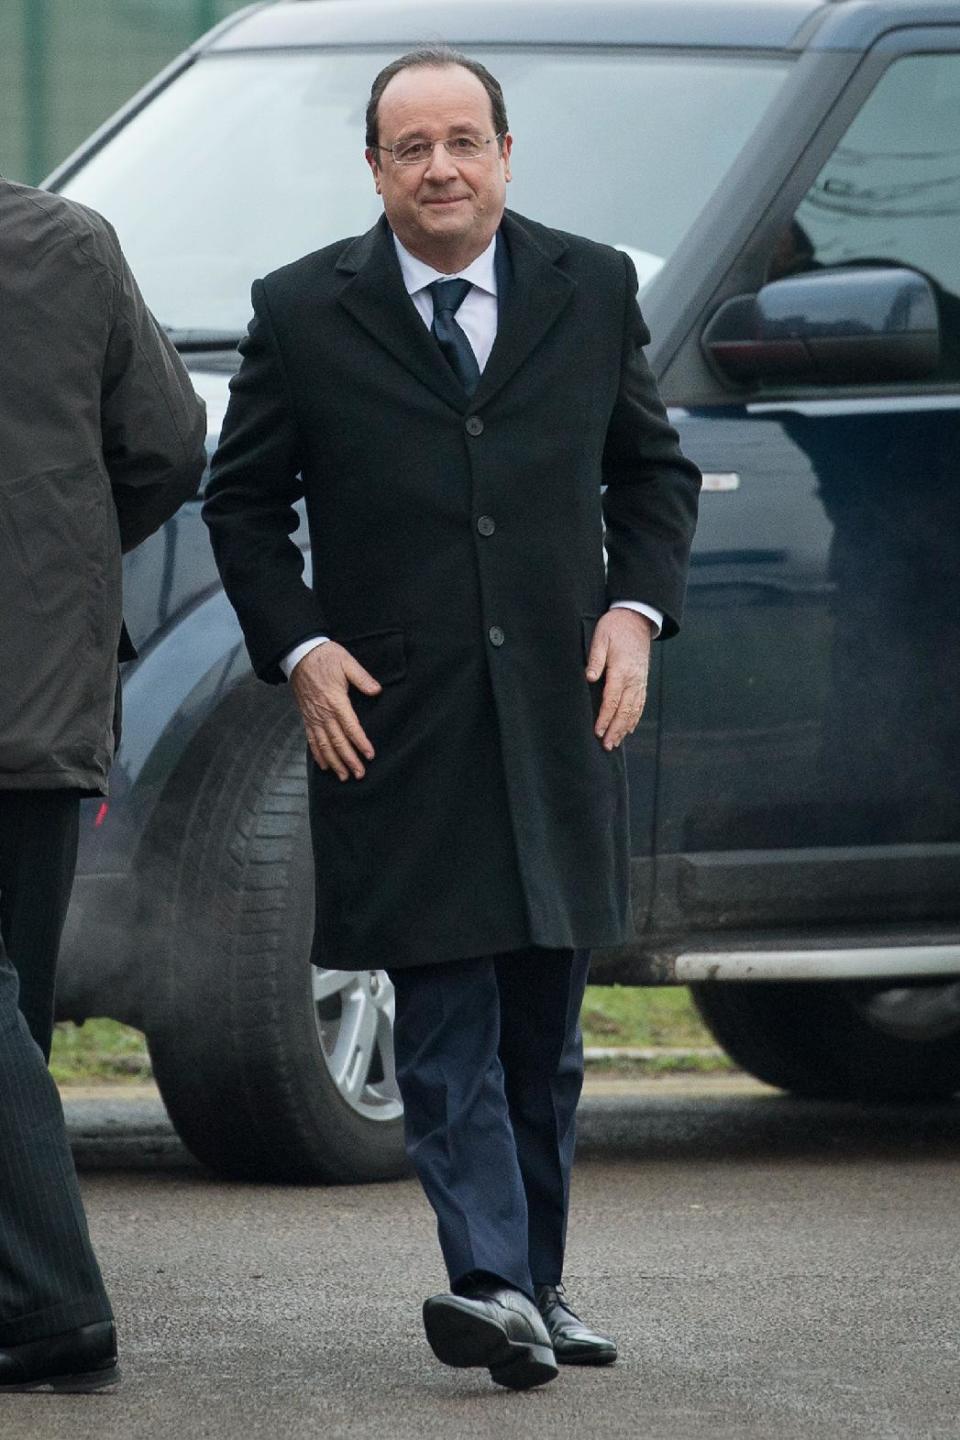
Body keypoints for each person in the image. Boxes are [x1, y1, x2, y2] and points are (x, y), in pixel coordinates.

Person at [203, 49, 700, 1390]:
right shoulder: (306, 310)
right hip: (393, 719)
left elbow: (653, 478)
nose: (441, 167)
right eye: (411, 146)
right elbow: (241, 508)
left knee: (547, 1016)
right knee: (445, 1008)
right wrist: (300, 647)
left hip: (560, 706)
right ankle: (484, 1279)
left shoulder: (589, 288)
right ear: (374, 167)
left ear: (505, 152)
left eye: (463, 140)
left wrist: (634, 615)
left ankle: (537, 1281)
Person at [0, 177, 206, 1392]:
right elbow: (168, 447)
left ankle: (53, 1307)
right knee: (14, 1018)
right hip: (44, 690)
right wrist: (60, 568)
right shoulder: (67, 241)